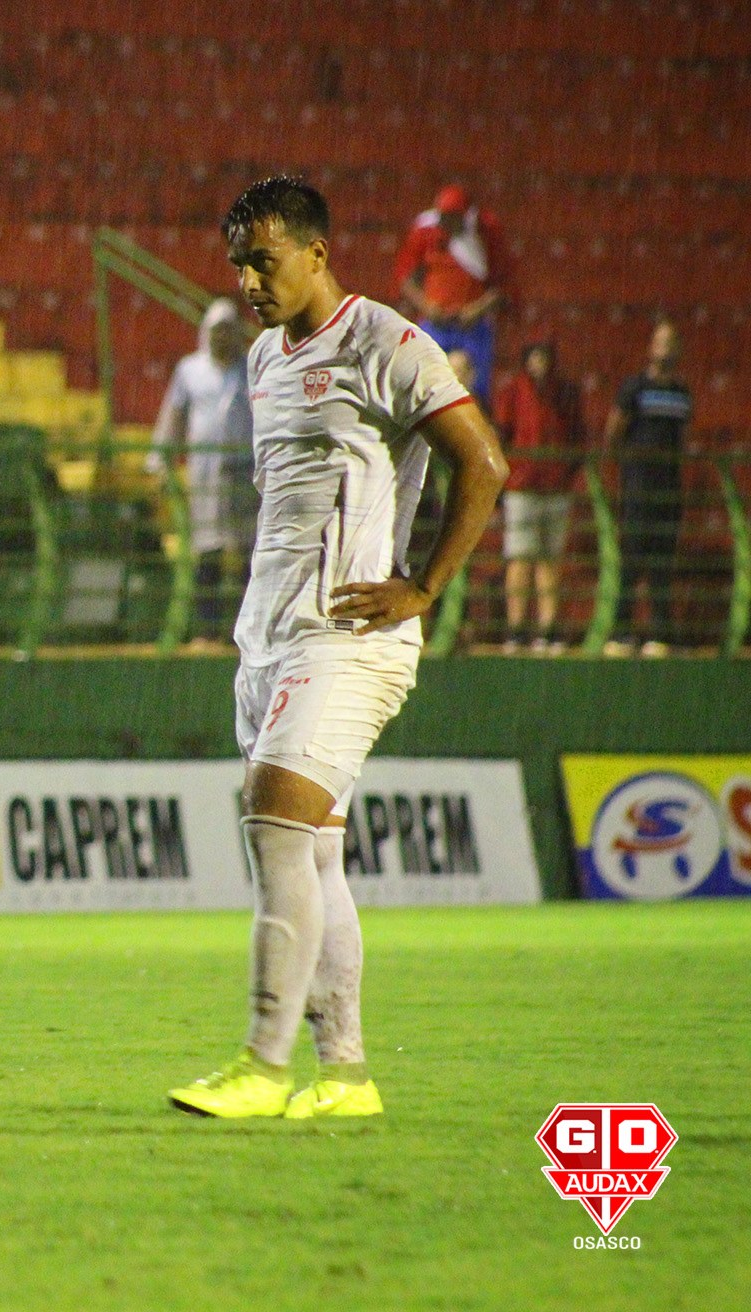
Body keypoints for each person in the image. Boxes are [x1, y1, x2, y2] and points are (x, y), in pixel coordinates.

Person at [169, 177, 506, 1120]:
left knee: (274, 817)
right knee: (313, 855)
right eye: (238, 262)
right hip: (270, 633)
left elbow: (483, 462)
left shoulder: (388, 341)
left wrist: (423, 587)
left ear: (317, 253)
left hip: (352, 633)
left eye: (263, 260)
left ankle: (262, 1066)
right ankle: (347, 1076)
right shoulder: (267, 358)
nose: (247, 280)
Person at [148, 297, 255, 648]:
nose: (223, 338)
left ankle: (243, 632)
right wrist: (160, 461)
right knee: (206, 553)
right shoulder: (190, 371)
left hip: (245, 474)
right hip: (205, 476)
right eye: (217, 331)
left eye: (229, 331)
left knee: (246, 555)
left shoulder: (252, 369)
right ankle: (206, 631)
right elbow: (173, 417)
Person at [603, 318, 693, 658]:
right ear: (650, 347)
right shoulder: (634, 388)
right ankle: (621, 633)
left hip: (669, 489)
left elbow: (683, 438)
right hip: (638, 486)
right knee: (632, 558)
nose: (665, 348)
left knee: (661, 561)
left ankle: (659, 633)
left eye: (671, 342)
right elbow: (614, 431)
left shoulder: (682, 392)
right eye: (660, 341)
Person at [492, 342, 585, 653]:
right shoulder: (513, 392)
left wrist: (565, 473)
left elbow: (577, 436)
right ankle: (516, 629)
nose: (540, 363)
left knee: (550, 560)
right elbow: (501, 435)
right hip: (522, 488)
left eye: (544, 357)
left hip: (555, 488)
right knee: (520, 557)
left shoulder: (565, 393)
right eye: (534, 357)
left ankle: (548, 629)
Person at [392, 183, 510, 401]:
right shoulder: (425, 230)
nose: (445, 224)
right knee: (424, 392)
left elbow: (504, 284)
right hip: (435, 326)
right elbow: (404, 277)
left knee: (474, 397)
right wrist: (426, 306)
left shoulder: (486, 230)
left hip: (473, 328)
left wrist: (477, 309)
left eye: (451, 218)